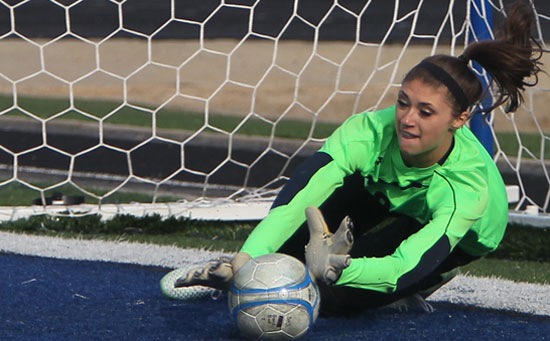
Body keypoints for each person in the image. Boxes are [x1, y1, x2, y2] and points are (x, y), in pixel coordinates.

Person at [172, 0, 545, 316]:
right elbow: (295, 203)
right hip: (387, 190)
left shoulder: (467, 188)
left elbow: (402, 267)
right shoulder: (368, 132)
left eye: (426, 112)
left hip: (458, 233)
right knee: (283, 261)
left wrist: (337, 270)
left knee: (331, 297)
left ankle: (429, 278)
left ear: (460, 120)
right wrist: (246, 261)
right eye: (403, 103)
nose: (407, 120)